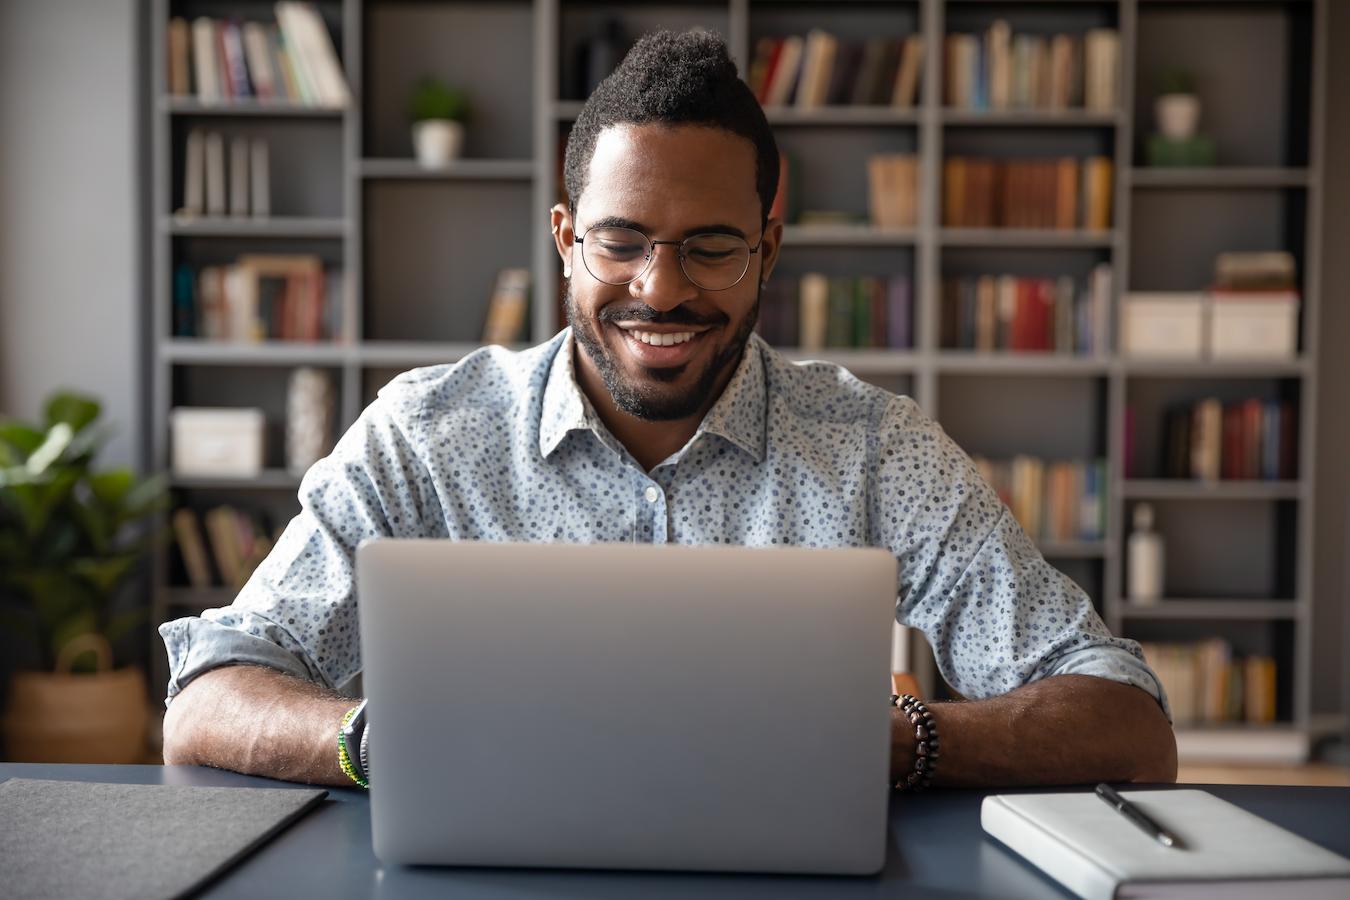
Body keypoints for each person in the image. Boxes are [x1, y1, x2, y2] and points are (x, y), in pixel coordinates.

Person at [161, 30, 1175, 789]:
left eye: (711, 245)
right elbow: (208, 697)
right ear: (565, 239)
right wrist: (379, 741)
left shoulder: (875, 447)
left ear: (768, 247)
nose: (661, 287)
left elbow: (1128, 721)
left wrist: (912, 742)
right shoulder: (428, 438)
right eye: (622, 239)